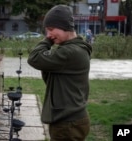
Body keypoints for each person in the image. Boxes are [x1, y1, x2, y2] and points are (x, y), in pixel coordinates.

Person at [27, 5, 92, 141]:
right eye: (46, 31)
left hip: (67, 123)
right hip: (69, 120)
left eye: (51, 29)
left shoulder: (70, 52)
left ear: (65, 27)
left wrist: (47, 41)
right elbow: (46, 69)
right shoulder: (72, 48)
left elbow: (34, 58)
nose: (48, 34)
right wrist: (52, 38)